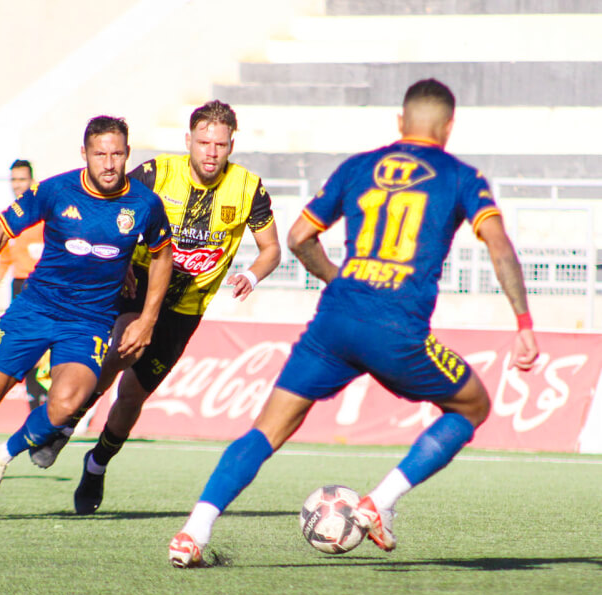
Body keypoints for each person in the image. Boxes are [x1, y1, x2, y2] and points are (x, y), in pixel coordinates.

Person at [167, 79, 539, 567]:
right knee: (472, 405)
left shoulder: (358, 166)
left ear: (400, 123)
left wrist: (336, 280)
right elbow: (498, 244)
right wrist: (524, 322)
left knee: (267, 429)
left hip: (335, 321)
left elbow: (299, 237)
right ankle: (378, 504)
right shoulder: (461, 176)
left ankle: (194, 531)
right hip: (397, 329)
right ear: (448, 127)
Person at [0, 115, 173, 518]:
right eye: (100, 154)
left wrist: (147, 318)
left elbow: (163, 256)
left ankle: (3, 454)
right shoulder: (56, 190)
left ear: (127, 155)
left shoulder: (144, 205)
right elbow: (2, 230)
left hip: (89, 321)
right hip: (33, 309)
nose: (109, 164)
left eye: (116, 154)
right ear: (84, 155)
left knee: (64, 405)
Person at [27, 100, 282, 516]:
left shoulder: (248, 188)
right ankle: (69, 420)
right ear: (189, 141)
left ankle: (96, 464)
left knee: (131, 398)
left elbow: (271, 249)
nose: (211, 153)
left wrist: (252, 274)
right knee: (124, 346)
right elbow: (113, 209)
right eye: (203, 142)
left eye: (219, 144)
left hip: (186, 307)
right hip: (140, 284)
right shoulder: (157, 172)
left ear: (231, 145)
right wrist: (122, 260)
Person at [0, 159, 48, 409]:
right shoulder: (11, 216)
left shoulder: (44, 211)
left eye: (23, 179)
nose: (18, 185)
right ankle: (35, 405)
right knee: (26, 348)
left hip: (46, 286)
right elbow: (5, 259)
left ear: (32, 180)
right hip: (20, 288)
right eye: (14, 180)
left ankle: (63, 404)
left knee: (50, 347)